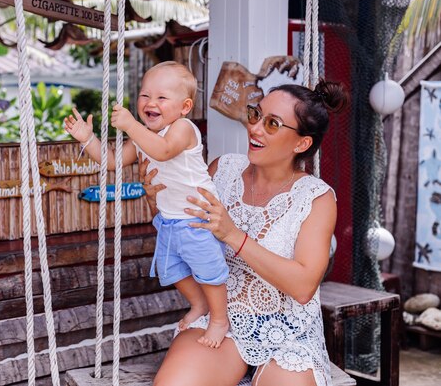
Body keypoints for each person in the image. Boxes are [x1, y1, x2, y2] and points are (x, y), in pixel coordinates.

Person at [141, 79, 348, 386]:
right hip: (220, 319)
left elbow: (304, 287)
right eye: (255, 115)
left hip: (287, 330)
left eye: (272, 124)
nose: (255, 129)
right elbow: (185, 233)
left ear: (301, 144)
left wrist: (234, 235)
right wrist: (158, 204)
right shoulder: (221, 171)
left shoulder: (316, 198)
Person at [64, 61, 230, 348]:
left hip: (197, 218)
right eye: (144, 95)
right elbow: (113, 161)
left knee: (209, 271)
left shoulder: (183, 128)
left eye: (161, 98)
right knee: (173, 270)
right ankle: (199, 304)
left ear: (185, 106)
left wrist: (130, 125)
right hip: (168, 221)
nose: (150, 102)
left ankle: (219, 318)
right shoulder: (144, 135)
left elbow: (163, 152)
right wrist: (88, 138)